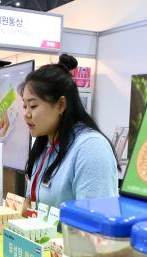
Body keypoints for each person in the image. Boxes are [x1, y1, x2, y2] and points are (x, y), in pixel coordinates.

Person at [22, 54, 118, 208]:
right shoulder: (45, 144)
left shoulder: (91, 148)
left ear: (60, 105)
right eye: (24, 106)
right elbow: (30, 204)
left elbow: (95, 221)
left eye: (33, 106)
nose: (26, 114)